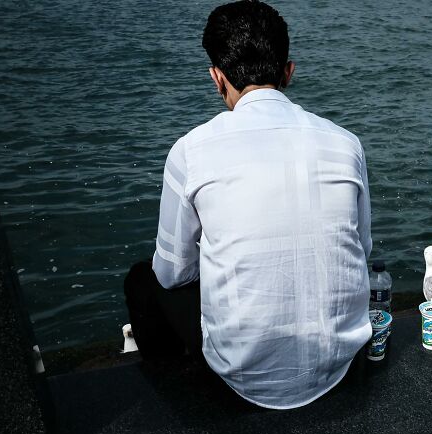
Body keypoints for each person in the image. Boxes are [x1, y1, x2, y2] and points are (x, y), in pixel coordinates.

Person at [124, 0, 373, 410]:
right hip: (340, 363)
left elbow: (171, 274)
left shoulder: (191, 151)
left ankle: (180, 394)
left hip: (243, 377)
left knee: (143, 280)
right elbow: (360, 250)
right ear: (288, 72)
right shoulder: (346, 143)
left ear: (217, 78)